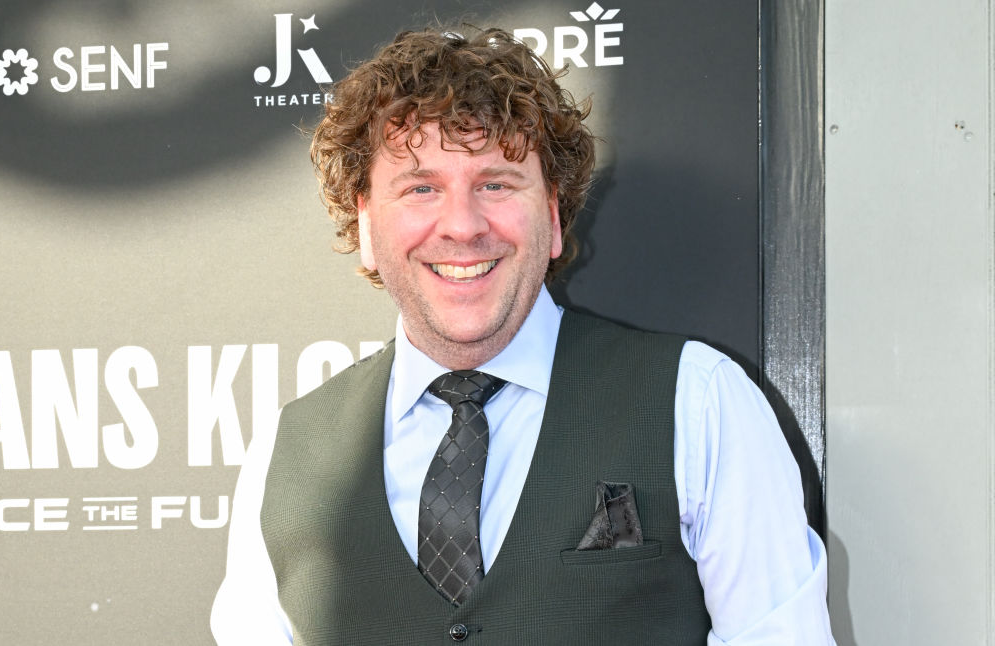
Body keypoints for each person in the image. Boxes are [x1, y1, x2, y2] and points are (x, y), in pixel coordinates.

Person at [211, 27, 835, 645]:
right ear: (367, 224)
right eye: (421, 187)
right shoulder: (284, 456)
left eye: (496, 184)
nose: (462, 225)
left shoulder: (699, 402)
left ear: (554, 217)